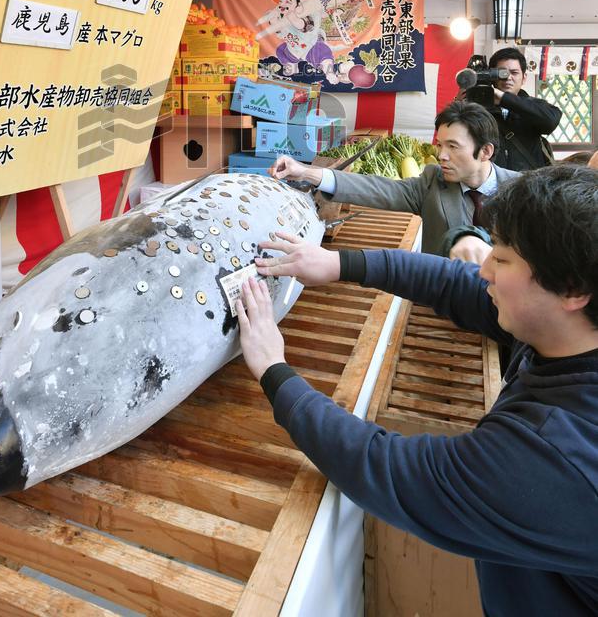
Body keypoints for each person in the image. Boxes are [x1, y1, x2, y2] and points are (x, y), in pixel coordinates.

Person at [236, 165, 598, 617]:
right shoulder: (566, 326)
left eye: (502, 259)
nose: (483, 268)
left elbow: (386, 468)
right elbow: (452, 282)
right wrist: (337, 263)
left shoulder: (560, 456)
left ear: (571, 289)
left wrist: (274, 370)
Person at [270, 100, 518, 262]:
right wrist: (306, 172)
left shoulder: (523, 192)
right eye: (440, 145)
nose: (441, 155)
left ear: (485, 151)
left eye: (453, 146)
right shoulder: (433, 183)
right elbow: (377, 189)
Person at [478, 47, 560, 171]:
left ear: (524, 78)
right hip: (491, 184)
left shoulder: (534, 107)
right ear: (492, 76)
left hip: (528, 184)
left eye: (514, 73)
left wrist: (503, 98)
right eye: (502, 73)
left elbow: (550, 121)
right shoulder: (479, 109)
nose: (508, 78)